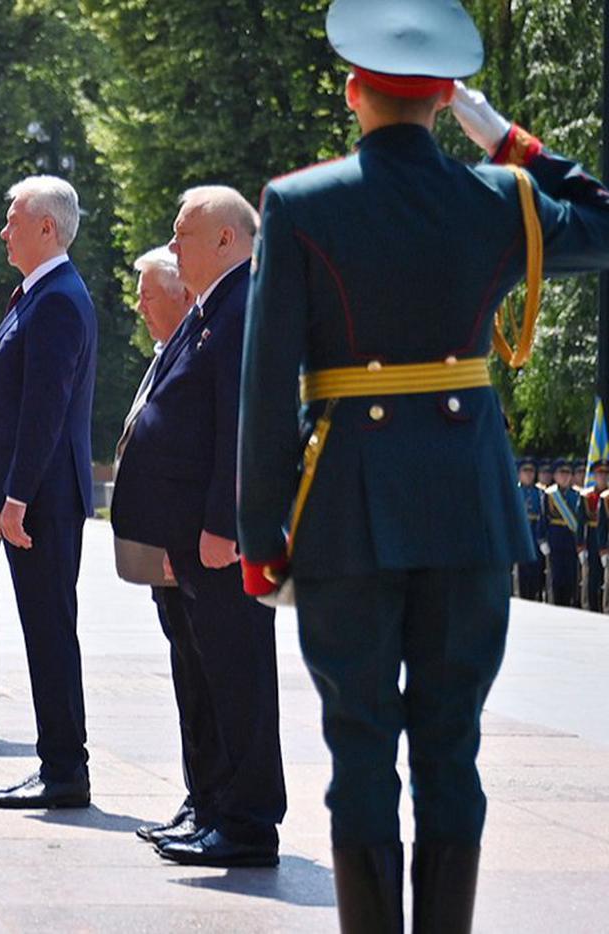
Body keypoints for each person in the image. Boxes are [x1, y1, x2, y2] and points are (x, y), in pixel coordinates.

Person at [235, 0, 609, 926]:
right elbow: (604, 220)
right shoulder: (499, 198)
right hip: (467, 508)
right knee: (452, 745)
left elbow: (266, 379)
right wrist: (507, 137)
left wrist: (259, 532)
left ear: (355, 92)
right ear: (444, 98)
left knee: (360, 748)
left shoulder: (299, 202)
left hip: (344, 507)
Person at [112, 191, 286, 869]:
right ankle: (214, 806)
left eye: (183, 235)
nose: (173, 246)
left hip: (220, 540)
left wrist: (224, 524)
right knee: (209, 677)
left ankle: (247, 824)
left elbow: (245, 427)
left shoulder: (245, 306)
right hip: (190, 539)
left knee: (238, 679)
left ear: (224, 239)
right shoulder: (214, 307)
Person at [0, 175, 96, 809]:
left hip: (44, 502)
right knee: (43, 632)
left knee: (51, 632)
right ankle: (56, 762)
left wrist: (17, 495)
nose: (4, 231)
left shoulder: (56, 299)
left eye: (14, 220)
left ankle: (65, 772)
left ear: (46, 228)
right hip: (31, 499)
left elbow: (45, 410)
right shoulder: (37, 294)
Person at [544, 459, 585, 607]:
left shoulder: (578, 495)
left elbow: (581, 521)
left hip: (571, 540)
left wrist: (582, 541)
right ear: (554, 476)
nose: (565, 477)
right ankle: (557, 603)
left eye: (568, 473)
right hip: (555, 539)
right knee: (557, 575)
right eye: (561, 473)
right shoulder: (549, 494)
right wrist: (542, 539)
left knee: (571, 575)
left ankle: (570, 602)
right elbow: (544, 518)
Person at [514, 457, 547, 601]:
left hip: (535, 532)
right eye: (525, 471)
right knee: (521, 570)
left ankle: (537, 594)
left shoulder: (540, 493)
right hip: (520, 532)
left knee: (536, 568)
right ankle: (522, 595)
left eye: (531, 471)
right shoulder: (514, 491)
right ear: (519, 473)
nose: (528, 474)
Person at [583, 459, 608, 611]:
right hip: (592, 539)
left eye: (606, 474)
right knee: (594, 576)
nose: (603, 477)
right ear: (594, 476)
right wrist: (581, 546)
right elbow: (581, 522)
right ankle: (593, 608)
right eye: (600, 474)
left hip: (607, 538)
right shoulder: (587, 496)